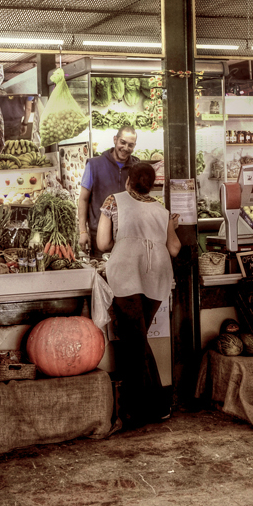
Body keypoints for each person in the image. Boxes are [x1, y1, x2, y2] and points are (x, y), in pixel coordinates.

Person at [96, 162, 181, 428]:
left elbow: (102, 244)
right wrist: (170, 229)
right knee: (137, 338)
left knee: (134, 341)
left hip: (126, 273)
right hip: (157, 277)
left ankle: (150, 407)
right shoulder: (161, 209)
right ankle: (149, 405)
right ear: (153, 183)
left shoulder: (114, 201)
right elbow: (175, 249)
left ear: (128, 181)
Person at [77, 125, 139, 256]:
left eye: (130, 145)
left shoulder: (137, 166)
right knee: (102, 274)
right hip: (99, 236)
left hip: (129, 236)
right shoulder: (94, 165)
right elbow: (83, 199)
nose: (126, 148)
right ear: (115, 139)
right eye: (123, 142)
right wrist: (82, 231)